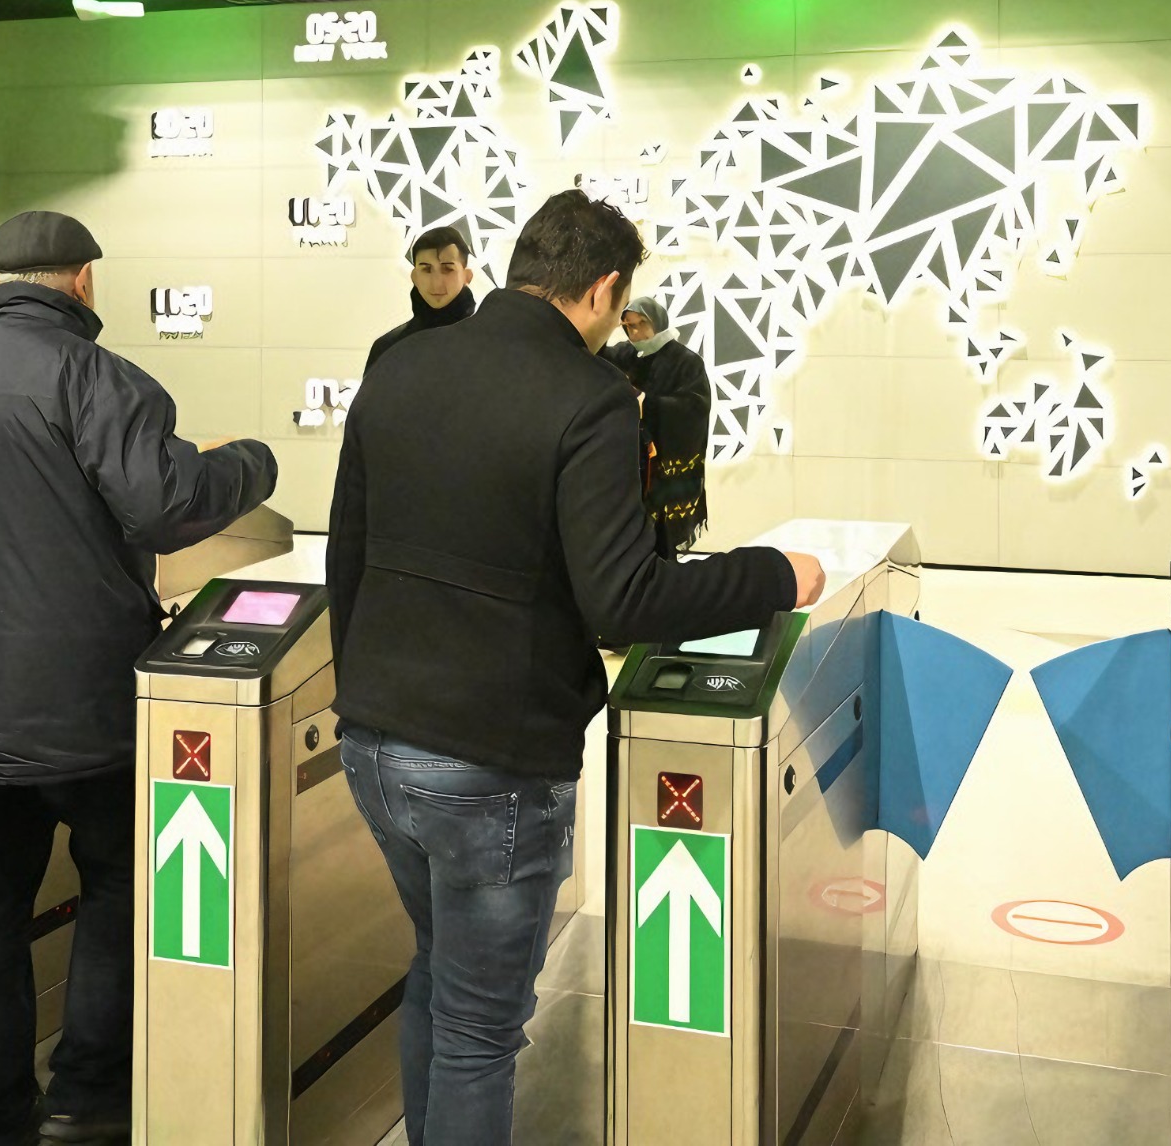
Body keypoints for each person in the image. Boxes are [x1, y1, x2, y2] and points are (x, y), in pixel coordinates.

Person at [326, 188, 824, 1144]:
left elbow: (346, 555)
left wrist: (366, 696)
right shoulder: (590, 397)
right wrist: (769, 575)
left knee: (436, 974)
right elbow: (623, 598)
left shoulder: (399, 367)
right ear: (602, 290)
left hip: (375, 745)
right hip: (492, 764)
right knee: (479, 1030)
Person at [0, 210, 280, 1146]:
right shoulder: (95, 374)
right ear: (82, 281)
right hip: (86, 699)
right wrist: (250, 463)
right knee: (115, 884)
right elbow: (165, 506)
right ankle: (85, 1095)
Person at [602, 295, 714, 557]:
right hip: (632, 463)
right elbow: (597, 360)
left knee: (663, 539)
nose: (636, 332)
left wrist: (648, 404)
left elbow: (695, 407)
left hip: (666, 462)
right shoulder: (625, 355)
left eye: (642, 323)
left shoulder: (685, 361)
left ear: (657, 321)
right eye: (629, 325)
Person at [365, 224, 476, 371]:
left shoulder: (487, 344)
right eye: (426, 269)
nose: (436, 282)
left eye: (447, 269)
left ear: (467, 276)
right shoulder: (387, 348)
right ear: (415, 277)